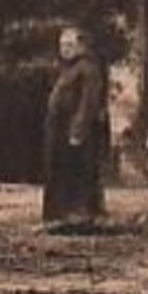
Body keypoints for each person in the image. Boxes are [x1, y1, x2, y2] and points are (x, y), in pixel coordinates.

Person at [41, 26, 108, 233]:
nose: (65, 49)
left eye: (69, 45)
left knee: (78, 172)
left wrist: (78, 130)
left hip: (75, 132)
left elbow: (89, 102)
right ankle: (60, 216)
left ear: (80, 45)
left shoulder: (88, 67)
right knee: (60, 171)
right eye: (62, 45)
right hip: (60, 129)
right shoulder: (68, 68)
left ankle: (80, 217)